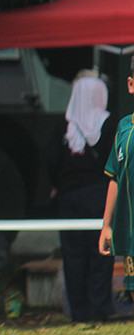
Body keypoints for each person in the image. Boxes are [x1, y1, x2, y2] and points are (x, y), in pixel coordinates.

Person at [49, 73, 115, 322]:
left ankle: (78, 312)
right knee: (101, 254)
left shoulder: (63, 126)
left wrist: (59, 185)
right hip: (101, 198)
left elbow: (52, 161)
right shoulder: (110, 125)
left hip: (70, 199)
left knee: (73, 256)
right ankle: (98, 309)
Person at [101, 57, 134, 308]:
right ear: (131, 85)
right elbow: (114, 178)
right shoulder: (124, 128)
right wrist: (107, 225)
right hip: (130, 233)